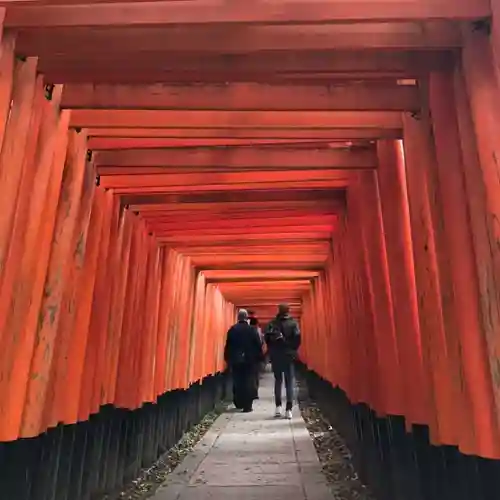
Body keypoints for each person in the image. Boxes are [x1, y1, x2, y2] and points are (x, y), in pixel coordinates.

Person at [264, 303, 301, 419]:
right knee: (289, 382)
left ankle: (278, 407)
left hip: (276, 356)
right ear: (288, 311)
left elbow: (267, 339)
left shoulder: (272, 324)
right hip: (289, 356)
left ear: (279, 311)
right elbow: (297, 341)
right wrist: (290, 348)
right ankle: (289, 409)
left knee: (278, 381)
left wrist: (273, 348)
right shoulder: (294, 324)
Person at [224, 309, 263, 412]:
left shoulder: (232, 329)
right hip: (250, 361)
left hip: (236, 360)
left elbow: (228, 345)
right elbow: (258, 345)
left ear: (238, 318)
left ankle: (239, 402)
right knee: (249, 381)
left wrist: (227, 358)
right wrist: (259, 358)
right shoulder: (252, 330)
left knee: (238, 381)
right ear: (246, 318)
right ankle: (247, 405)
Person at [249, 315, 263, 399]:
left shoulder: (247, 330)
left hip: (247, 357)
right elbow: (259, 344)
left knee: (249, 375)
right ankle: (255, 392)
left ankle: (250, 391)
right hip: (255, 357)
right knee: (255, 375)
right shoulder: (256, 331)